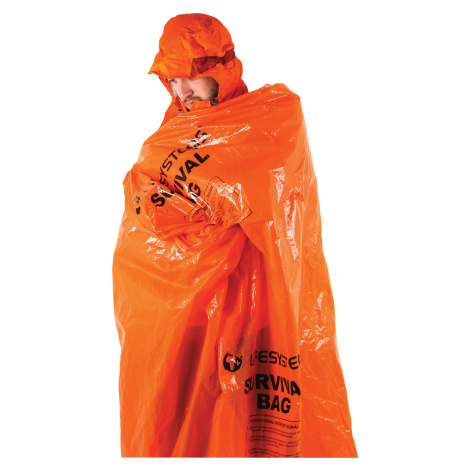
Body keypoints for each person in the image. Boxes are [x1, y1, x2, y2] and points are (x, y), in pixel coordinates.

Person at [113, 13, 357, 458]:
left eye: (191, 77)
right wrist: (186, 212)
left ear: (223, 69)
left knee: (240, 417)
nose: (182, 91)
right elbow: (144, 197)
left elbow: (265, 198)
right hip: (181, 315)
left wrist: (198, 210)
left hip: (251, 302)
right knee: (183, 419)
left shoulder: (271, 117)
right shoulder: (170, 133)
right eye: (172, 80)